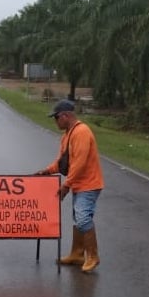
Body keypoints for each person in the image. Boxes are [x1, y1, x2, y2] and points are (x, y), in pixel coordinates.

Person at [35, 99, 104, 273]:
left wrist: (66, 185)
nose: (55, 121)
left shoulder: (81, 132)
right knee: (77, 219)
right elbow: (63, 163)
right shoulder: (67, 135)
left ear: (65, 116)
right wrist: (46, 171)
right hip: (79, 184)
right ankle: (77, 254)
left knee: (83, 218)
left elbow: (79, 164)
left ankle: (93, 256)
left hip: (89, 184)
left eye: (56, 117)